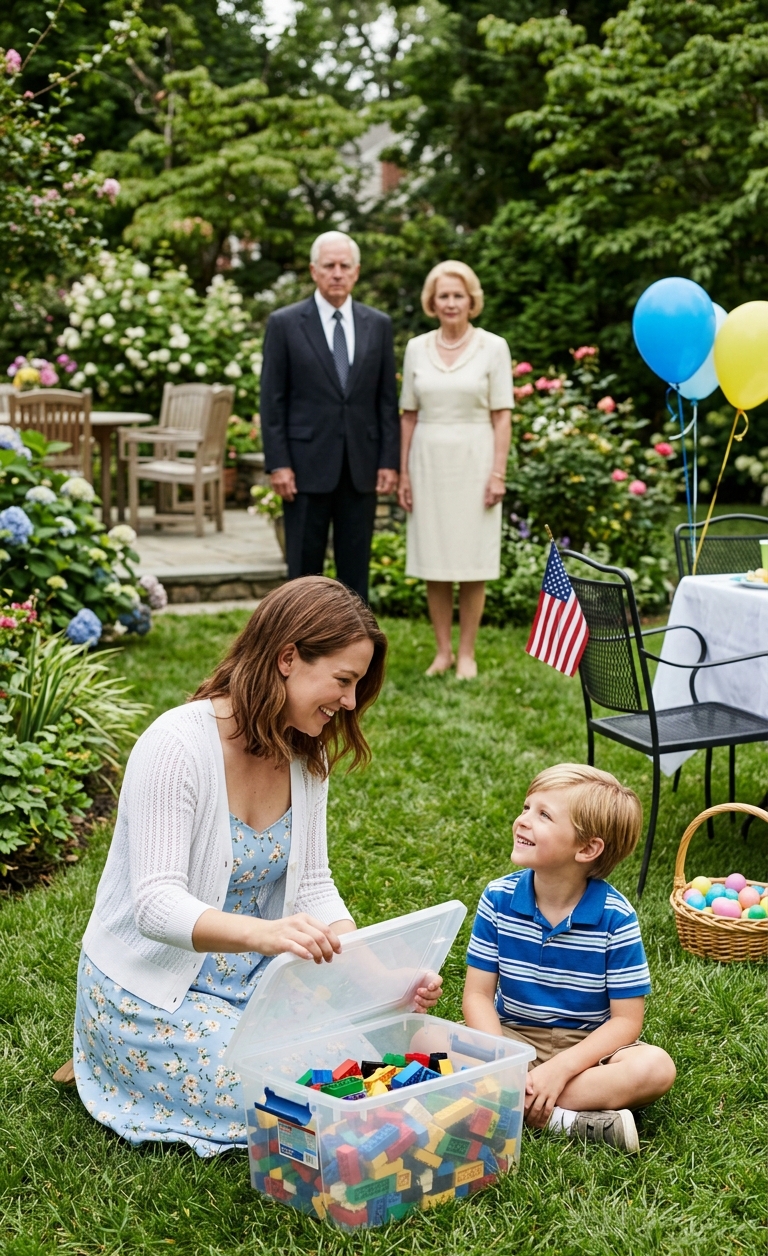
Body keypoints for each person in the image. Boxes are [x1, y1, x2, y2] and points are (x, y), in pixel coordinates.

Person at [62, 579, 442, 1156]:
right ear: (288, 658)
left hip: (253, 983)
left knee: (354, 1067)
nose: (349, 700)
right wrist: (268, 935)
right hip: (153, 993)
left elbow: (314, 887)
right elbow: (156, 905)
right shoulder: (176, 745)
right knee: (292, 1097)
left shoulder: (305, 758)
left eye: (357, 684)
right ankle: (108, 1053)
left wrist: (384, 979)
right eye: (343, 680)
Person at [462, 764, 676, 1153]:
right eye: (527, 807)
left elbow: (626, 1021)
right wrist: (502, 1062)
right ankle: (564, 1119)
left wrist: (560, 1069)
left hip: (587, 1052)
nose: (522, 821)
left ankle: (516, 1102)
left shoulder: (615, 916)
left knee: (656, 1067)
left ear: (587, 848)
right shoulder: (497, 899)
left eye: (543, 815)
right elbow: (477, 997)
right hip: (512, 1040)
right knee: (432, 1038)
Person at [260, 232, 400, 603]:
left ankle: (357, 650)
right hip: (304, 469)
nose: (337, 273)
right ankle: (300, 645)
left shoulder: (378, 325)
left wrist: (388, 460)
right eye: (329, 266)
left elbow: (386, 400)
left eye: (344, 266)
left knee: (356, 573)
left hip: (361, 466)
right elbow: (272, 400)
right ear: (313, 271)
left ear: (356, 272)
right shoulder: (285, 323)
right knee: (303, 575)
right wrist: (279, 464)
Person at [398, 261, 513, 679]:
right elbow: (408, 415)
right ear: (432, 301)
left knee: (472, 560)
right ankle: (442, 651)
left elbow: (502, 415)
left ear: (471, 301)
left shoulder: (494, 347)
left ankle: (467, 653)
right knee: (435, 558)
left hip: (476, 458)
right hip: (427, 460)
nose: (450, 303)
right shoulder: (416, 348)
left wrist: (497, 473)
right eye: (443, 295)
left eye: (458, 296)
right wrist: (404, 473)